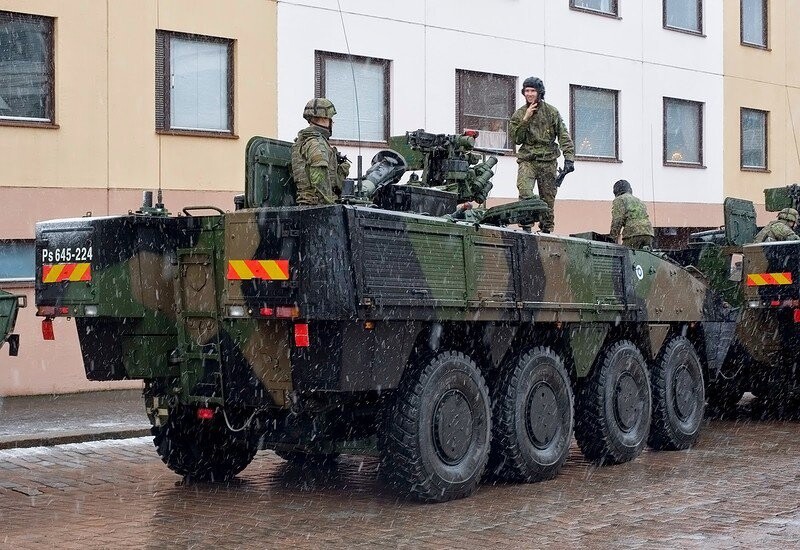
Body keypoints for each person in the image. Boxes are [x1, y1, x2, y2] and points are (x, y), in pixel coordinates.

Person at [509, 76, 575, 233]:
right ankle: (526, 227)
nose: (530, 94)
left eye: (533, 90)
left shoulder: (551, 112)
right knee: (524, 191)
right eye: (527, 91)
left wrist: (569, 158)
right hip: (528, 159)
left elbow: (563, 135)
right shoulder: (519, 114)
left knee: (547, 199)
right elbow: (517, 139)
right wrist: (525, 119)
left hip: (548, 160)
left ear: (539, 92)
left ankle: (546, 231)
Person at [291, 98, 351, 205]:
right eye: (330, 119)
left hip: (311, 206)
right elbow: (319, 181)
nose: (332, 122)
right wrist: (332, 206)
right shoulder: (316, 143)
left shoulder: (304, 141)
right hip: (317, 207)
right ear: (324, 118)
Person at [609, 179, 654, 250]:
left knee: (626, 257)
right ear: (630, 189)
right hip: (648, 233)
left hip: (633, 234)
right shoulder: (639, 201)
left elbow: (617, 220)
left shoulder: (620, 199)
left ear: (616, 191)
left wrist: (612, 238)